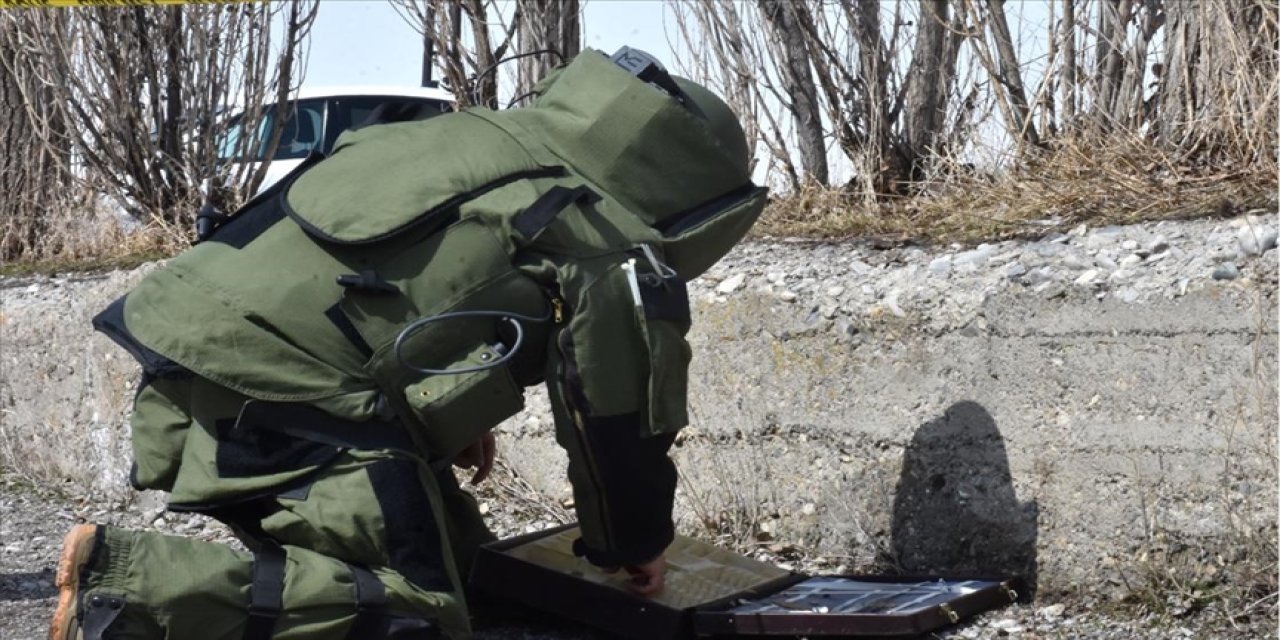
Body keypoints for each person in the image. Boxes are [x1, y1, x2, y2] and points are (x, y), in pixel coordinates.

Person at [51, 47, 765, 640]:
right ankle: (124, 583)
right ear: (694, 186)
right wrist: (633, 545)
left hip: (188, 363)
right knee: (417, 614)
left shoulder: (460, 134)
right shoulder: (605, 236)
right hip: (290, 407)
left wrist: (463, 415)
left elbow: (388, 273)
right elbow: (615, 417)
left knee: (476, 576)